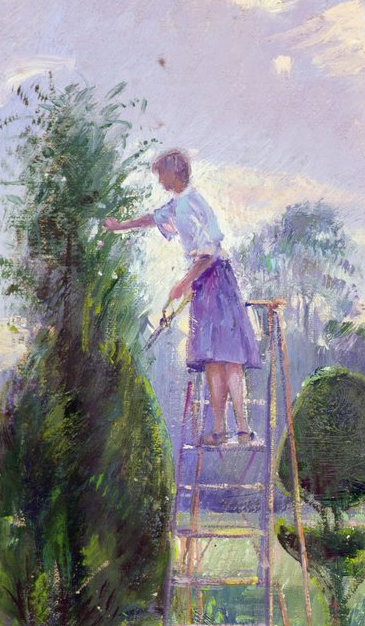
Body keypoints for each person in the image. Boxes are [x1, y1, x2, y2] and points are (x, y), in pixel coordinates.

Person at [105, 149, 262, 445]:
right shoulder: (179, 203)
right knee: (213, 357)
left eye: (161, 174)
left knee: (227, 357)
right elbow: (152, 218)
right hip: (207, 283)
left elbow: (208, 254)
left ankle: (239, 427)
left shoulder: (190, 205)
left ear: (174, 173)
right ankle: (222, 428)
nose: (159, 180)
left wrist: (183, 283)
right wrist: (120, 227)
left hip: (216, 281)